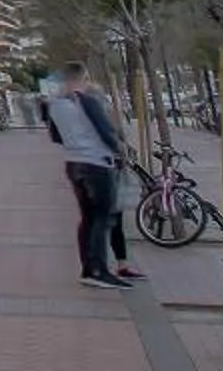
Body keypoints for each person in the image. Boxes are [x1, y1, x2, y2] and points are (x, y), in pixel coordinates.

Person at [44, 63, 139, 289]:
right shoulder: (87, 101)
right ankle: (99, 270)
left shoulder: (55, 105)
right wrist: (120, 150)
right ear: (82, 78)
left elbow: (56, 136)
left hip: (73, 163)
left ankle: (88, 268)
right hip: (97, 163)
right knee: (102, 217)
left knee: (87, 218)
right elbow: (105, 131)